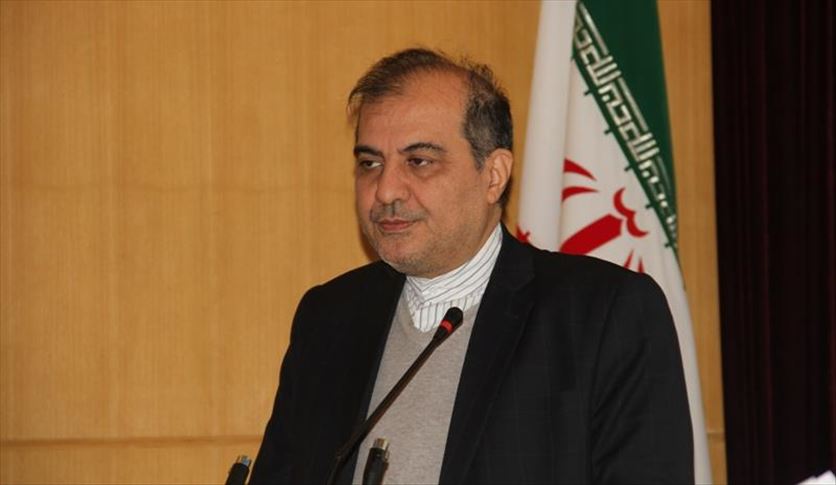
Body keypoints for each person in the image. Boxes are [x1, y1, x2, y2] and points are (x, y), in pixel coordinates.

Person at [250, 48, 693, 484]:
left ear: (494, 175)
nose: (385, 190)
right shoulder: (329, 318)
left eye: (419, 161)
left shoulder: (602, 313)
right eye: (370, 163)